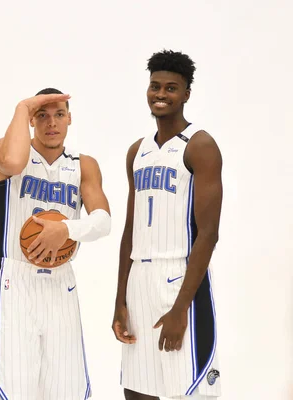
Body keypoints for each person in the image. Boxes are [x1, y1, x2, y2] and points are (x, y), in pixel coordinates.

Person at [0, 89, 111, 399]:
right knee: (13, 386)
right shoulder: (6, 151)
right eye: (41, 115)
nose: (51, 123)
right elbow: (13, 162)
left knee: (65, 387)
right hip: (15, 279)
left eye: (58, 114)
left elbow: (103, 222)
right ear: (30, 120)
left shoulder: (84, 165)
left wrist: (66, 229)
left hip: (61, 281)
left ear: (70, 118)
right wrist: (22, 106)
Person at [112, 50, 223, 400]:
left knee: (187, 390)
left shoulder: (200, 145)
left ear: (186, 94)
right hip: (139, 279)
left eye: (171, 88)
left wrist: (180, 308)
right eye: (155, 86)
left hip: (179, 277)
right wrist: (120, 299)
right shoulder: (137, 150)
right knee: (138, 390)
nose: (161, 94)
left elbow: (208, 233)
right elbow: (130, 229)